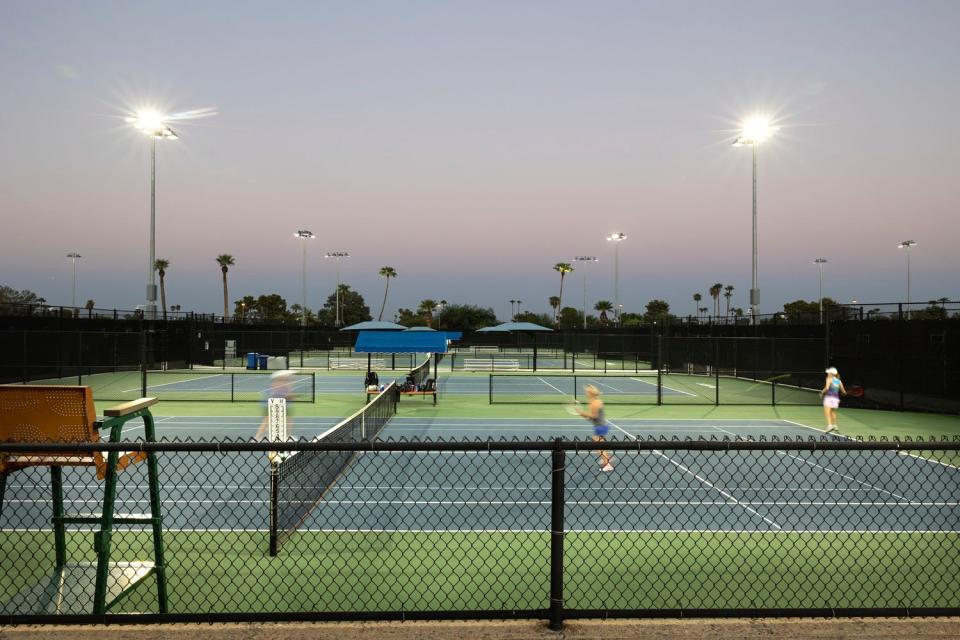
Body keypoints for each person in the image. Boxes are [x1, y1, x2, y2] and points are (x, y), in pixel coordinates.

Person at [576, 384, 614, 472]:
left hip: (600, 427)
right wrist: (582, 414)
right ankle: (607, 458)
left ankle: (608, 464)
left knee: (597, 446)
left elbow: (593, 416)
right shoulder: (596, 401)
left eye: (587, 392)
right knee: (600, 444)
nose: (586, 393)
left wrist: (581, 413)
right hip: (601, 426)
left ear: (591, 393)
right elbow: (591, 417)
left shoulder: (595, 403)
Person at [255, 370, 295, 441]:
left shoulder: (286, 384)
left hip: (283, 405)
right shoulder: (277, 384)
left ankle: (288, 436)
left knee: (288, 420)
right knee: (266, 421)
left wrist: (289, 396)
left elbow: (288, 394)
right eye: (288, 376)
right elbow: (277, 395)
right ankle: (257, 437)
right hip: (271, 405)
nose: (290, 377)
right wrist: (288, 396)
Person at [819, 366, 847, 434]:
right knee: (832, 411)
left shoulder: (829, 378)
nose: (827, 373)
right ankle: (835, 425)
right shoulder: (838, 381)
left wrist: (822, 393)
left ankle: (829, 425)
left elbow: (827, 387)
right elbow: (843, 391)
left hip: (829, 397)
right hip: (836, 398)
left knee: (827, 412)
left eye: (828, 372)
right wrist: (845, 393)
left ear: (831, 373)